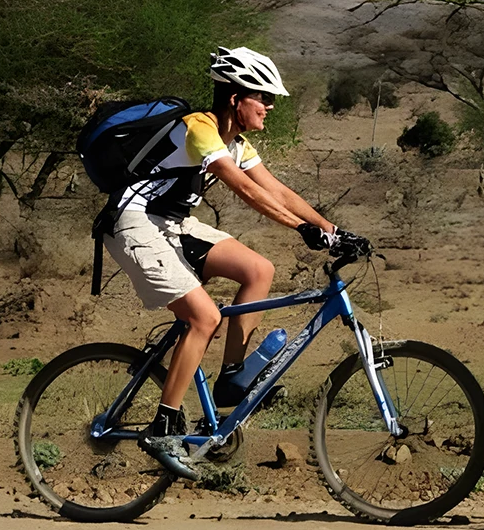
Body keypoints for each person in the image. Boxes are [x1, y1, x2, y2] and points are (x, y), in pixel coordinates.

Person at [100, 46, 353, 479]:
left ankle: (231, 376)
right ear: (235, 98)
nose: (270, 106)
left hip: (175, 224)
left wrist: (331, 229)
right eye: (263, 97)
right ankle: (164, 424)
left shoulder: (236, 141)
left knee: (259, 270)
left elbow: (276, 189)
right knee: (204, 317)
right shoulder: (199, 128)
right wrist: (300, 229)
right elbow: (245, 190)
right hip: (135, 222)